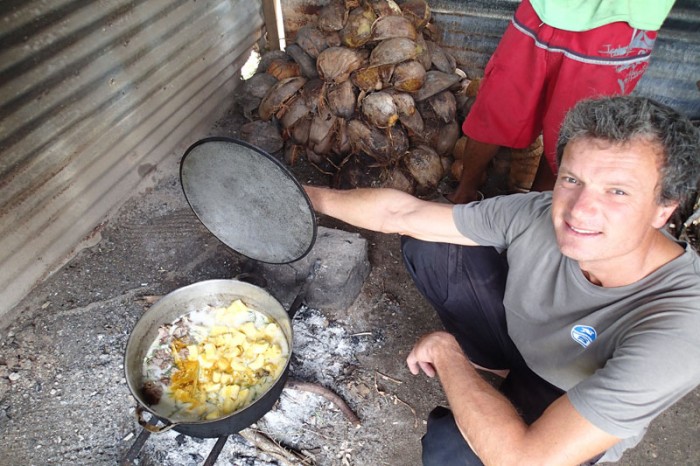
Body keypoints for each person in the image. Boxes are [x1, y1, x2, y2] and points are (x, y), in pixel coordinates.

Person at [304, 95, 700, 465]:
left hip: (565, 393)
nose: (579, 212)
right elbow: (401, 214)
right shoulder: (538, 212)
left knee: (454, 449)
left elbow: (523, 459)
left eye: (617, 191)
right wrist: (300, 196)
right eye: (572, 180)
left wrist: (446, 352)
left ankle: (508, 385)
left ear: (664, 209)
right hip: (524, 344)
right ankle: (499, 367)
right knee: (433, 247)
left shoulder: (682, 326)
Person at [449, 0, 677, 203]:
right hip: (545, 8)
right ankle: (464, 192)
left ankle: (537, 210)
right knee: (496, 106)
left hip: (622, 21)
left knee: (573, 135)